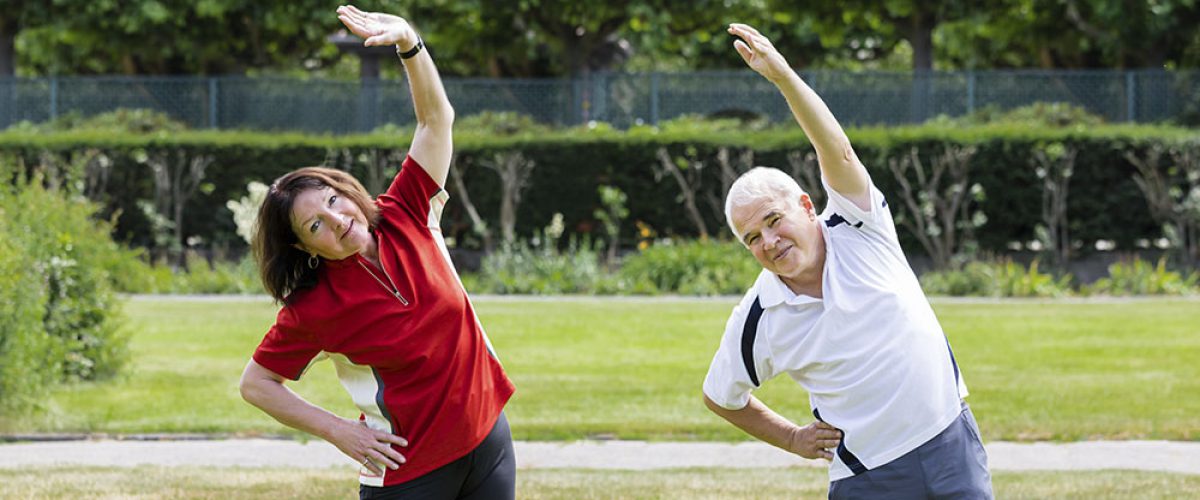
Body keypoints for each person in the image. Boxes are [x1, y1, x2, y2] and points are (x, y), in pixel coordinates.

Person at [701, 24, 993, 499]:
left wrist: (783, 78)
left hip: (951, 443)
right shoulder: (759, 316)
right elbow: (721, 397)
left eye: (775, 220)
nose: (769, 241)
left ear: (806, 205)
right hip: (868, 477)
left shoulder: (859, 227)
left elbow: (835, 149)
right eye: (752, 237)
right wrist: (792, 438)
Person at [238, 5, 516, 499]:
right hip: (410, 472)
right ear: (304, 246)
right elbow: (257, 384)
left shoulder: (407, 209)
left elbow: (436, 121)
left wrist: (409, 43)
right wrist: (340, 431)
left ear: (347, 190)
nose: (338, 220)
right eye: (315, 224)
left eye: (332, 200)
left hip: (488, 440)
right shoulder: (315, 306)